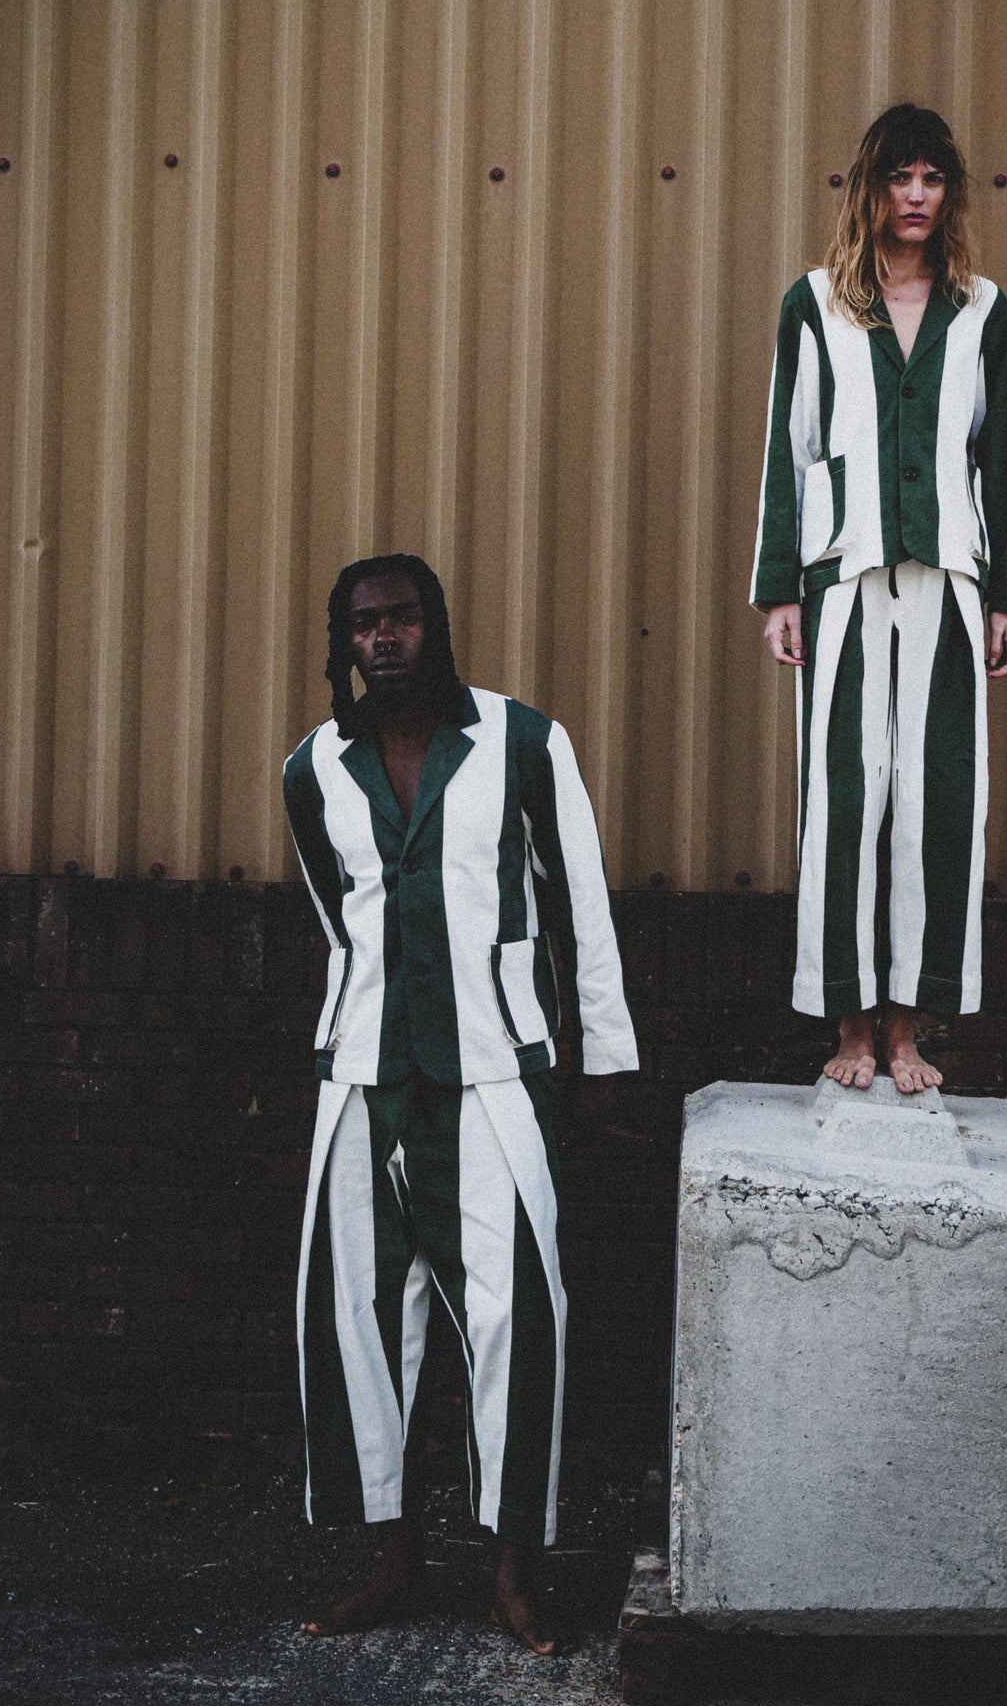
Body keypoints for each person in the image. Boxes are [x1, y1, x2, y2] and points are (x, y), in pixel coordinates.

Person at [283, 552, 638, 1654]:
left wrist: (598, 1059)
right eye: (364, 624)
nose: (384, 638)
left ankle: (513, 1573)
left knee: (518, 1315)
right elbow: (338, 917)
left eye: (402, 618)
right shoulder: (314, 768)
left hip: (493, 1071)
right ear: (344, 643)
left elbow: (579, 903)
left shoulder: (521, 742)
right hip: (364, 1080)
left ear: (434, 626)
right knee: (357, 1320)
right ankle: (396, 1562)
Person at [751, 102, 1007, 1093]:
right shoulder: (815, 303)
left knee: (939, 796)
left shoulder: (982, 310)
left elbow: (1006, 458)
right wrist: (779, 590)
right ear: (868, 188)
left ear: (949, 192)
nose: (915, 195)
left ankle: (909, 1027)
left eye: (932, 177)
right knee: (845, 796)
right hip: (842, 579)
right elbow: (788, 449)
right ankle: (848, 1020)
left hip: (949, 583)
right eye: (898, 176)